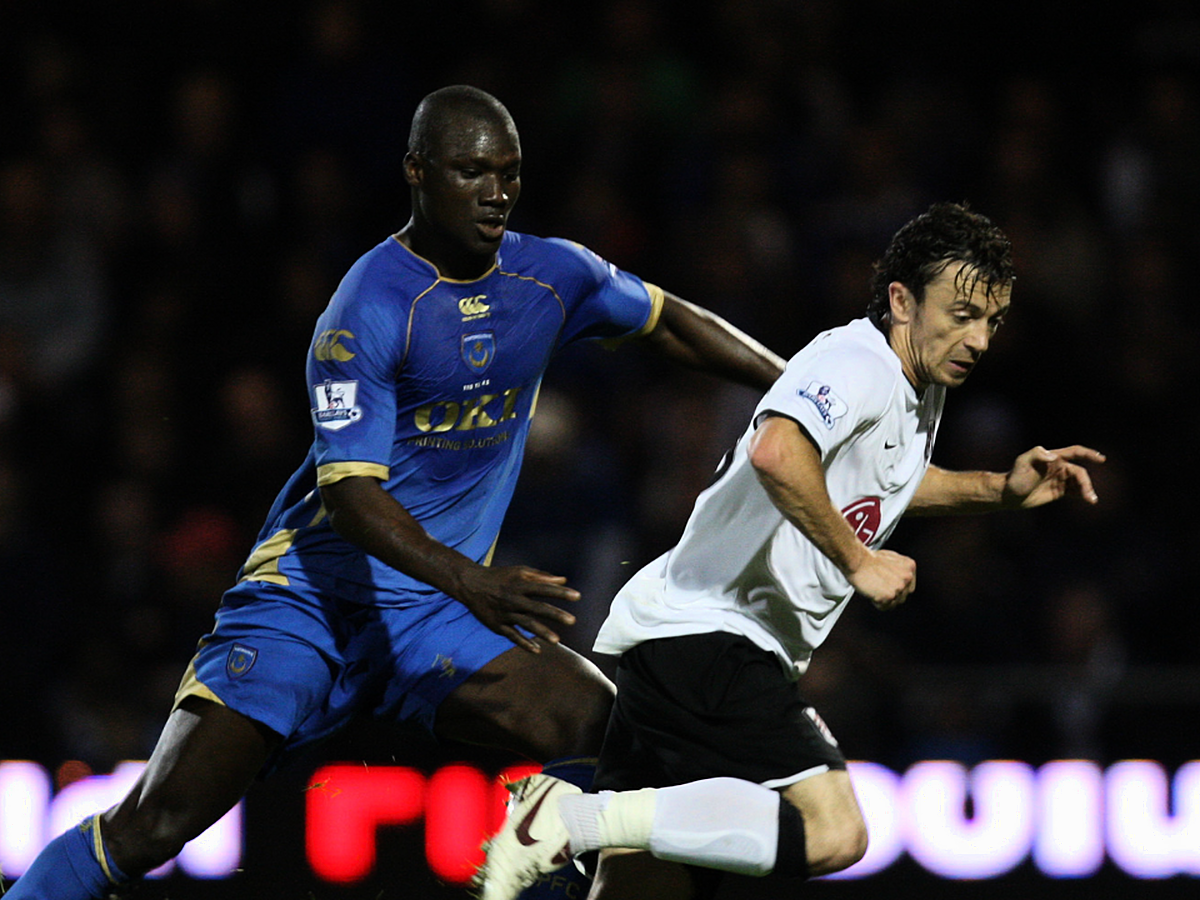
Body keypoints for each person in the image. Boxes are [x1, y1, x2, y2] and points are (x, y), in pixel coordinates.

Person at [6, 85, 785, 899]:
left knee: (617, 739)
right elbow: (348, 497)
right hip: (310, 604)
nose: (496, 193)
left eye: (509, 174)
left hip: (433, 617)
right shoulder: (369, 305)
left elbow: (668, 319)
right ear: (417, 172)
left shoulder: (553, 276)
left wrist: (802, 394)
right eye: (471, 172)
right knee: (153, 825)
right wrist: (473, 580)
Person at [478, 202, 1105, 900]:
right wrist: (857, 560)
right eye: (961, 313)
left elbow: (885, 479)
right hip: (714, 636)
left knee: (644, 885)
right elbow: (778, 450)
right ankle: (570, 814)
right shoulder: (859, 361)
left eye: (991, 320)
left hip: (684, 637)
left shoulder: (914, 388)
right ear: (901, 300)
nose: (980, 337)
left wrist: (1001, 489)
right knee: (836, 832)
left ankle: (582, 822)